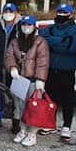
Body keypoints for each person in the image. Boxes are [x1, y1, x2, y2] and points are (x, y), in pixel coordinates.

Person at [39, 3, 76, 143]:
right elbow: (43, 42)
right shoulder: (49, 28)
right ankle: (50, 123)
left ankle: (66, 126)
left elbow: (71, 48)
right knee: (50, 97)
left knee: (67, 99)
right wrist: (63, 40)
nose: (61, 15)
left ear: (71, 15)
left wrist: (53, 43)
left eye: (65, 13)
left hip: (67, 69)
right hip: (51, 68)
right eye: (59, 12)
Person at [5, 15, 51, 144]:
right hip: (19, 79)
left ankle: (32, 133)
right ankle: (23, 130)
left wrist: (40, 79)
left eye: (29, 25)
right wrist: (12, 67)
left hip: (34, 80)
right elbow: (9, 56)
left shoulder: (40, 42)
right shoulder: (15, 42)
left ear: (34, 27)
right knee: (20, 107)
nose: (26, 27)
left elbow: (43, 61)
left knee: (34, 107)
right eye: (24, 25)